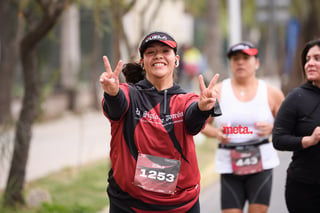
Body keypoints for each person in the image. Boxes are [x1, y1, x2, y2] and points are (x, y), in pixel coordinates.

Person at [99, 31, 222, 213]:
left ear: (176, 59)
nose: (158, 56)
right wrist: (112, 93)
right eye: (151, 52)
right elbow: (116, 107)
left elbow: (192, 120)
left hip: (182, 205)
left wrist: (202, 108)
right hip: (130, 204)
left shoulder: (186, 99)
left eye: (165, 51)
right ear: (142, 62)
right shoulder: (128, 93)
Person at [201, 41, 285, 213]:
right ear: (230, 63)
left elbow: (287, 126)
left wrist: (273, 128)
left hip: (262, 162)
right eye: (235, 58)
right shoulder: (218, 91)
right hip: (229, 164)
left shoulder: (271, 92)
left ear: (257, 62)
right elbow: (200, 125)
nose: (240, 62)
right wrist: (217, 133)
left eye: (246, 58)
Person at [272, 38, 320, 213]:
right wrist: (308, 140)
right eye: (307, 59)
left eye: (317, 58)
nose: (310, 64)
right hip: (304, 189)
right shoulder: (296, 98)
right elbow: (278, 139)